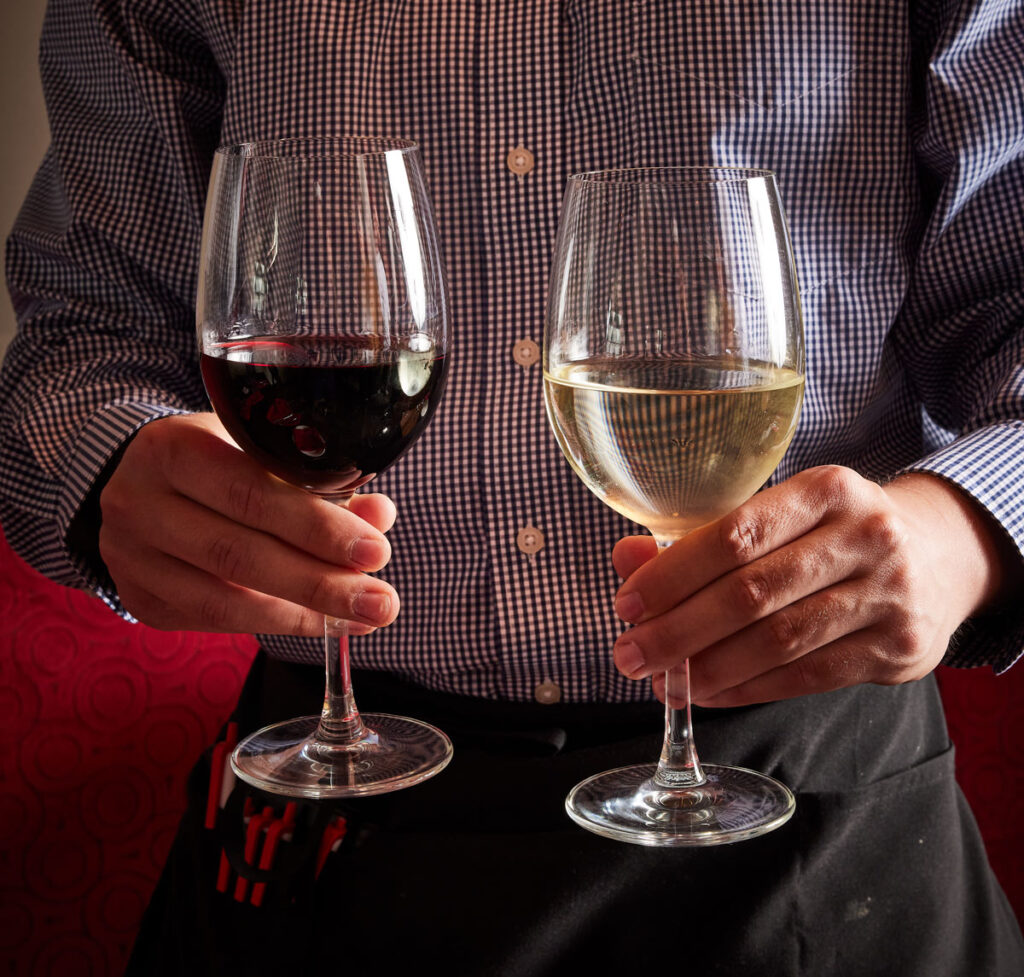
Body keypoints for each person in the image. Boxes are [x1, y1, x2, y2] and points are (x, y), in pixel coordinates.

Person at [2, 1, 1023, 975]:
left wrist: (961, 536)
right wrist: (107, 470)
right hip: (335, 817)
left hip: (813, 798)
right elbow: (82, 339)